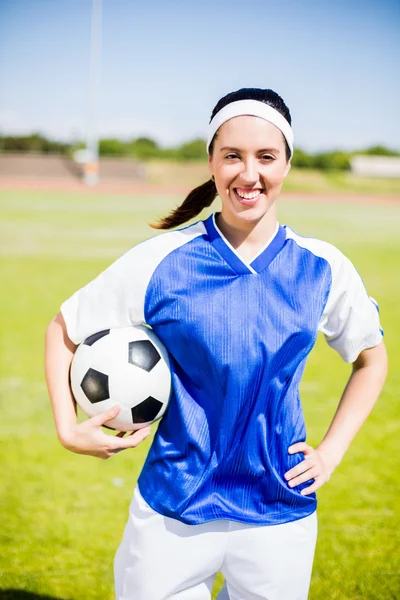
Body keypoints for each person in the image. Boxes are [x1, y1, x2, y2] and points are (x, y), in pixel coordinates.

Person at [45, 88, 388, 600]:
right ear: (211, 161)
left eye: (266, 157)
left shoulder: (323, 268)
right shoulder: (162, 260)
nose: (249, 174)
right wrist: (68, 428)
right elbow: (63, 329)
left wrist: (332, 452)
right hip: (173, 505)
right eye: (232, 156)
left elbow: (371, 358)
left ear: (288, 164)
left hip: (278, 507)